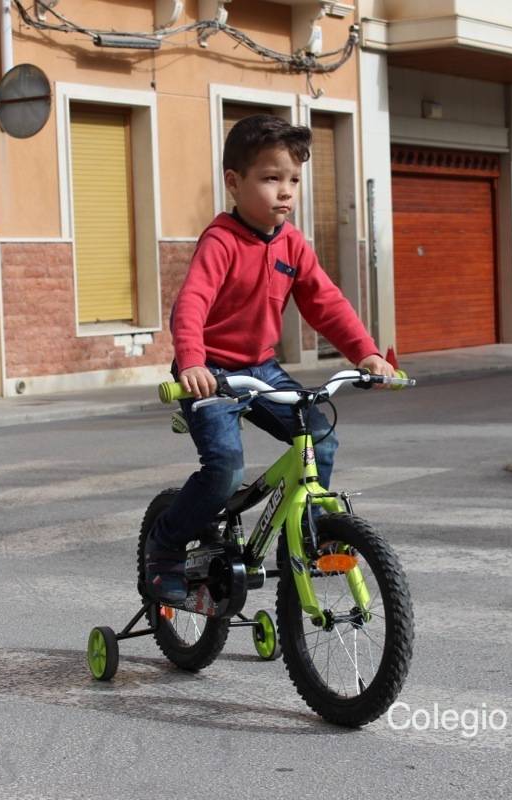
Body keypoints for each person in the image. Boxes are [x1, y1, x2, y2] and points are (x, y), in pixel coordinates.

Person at [145, 114, 394, 603]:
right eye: (271, 178)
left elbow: (326, 302)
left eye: (294, 179)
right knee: (224, 468)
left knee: (319, 440)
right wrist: (192, 361)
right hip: (211, 372)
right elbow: (191, 303)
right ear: (234, 183)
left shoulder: (293, 244)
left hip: (260, 368)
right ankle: (166, 546)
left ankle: (311, 537)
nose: (286, 191)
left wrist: (365, 353)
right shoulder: (221, 241)